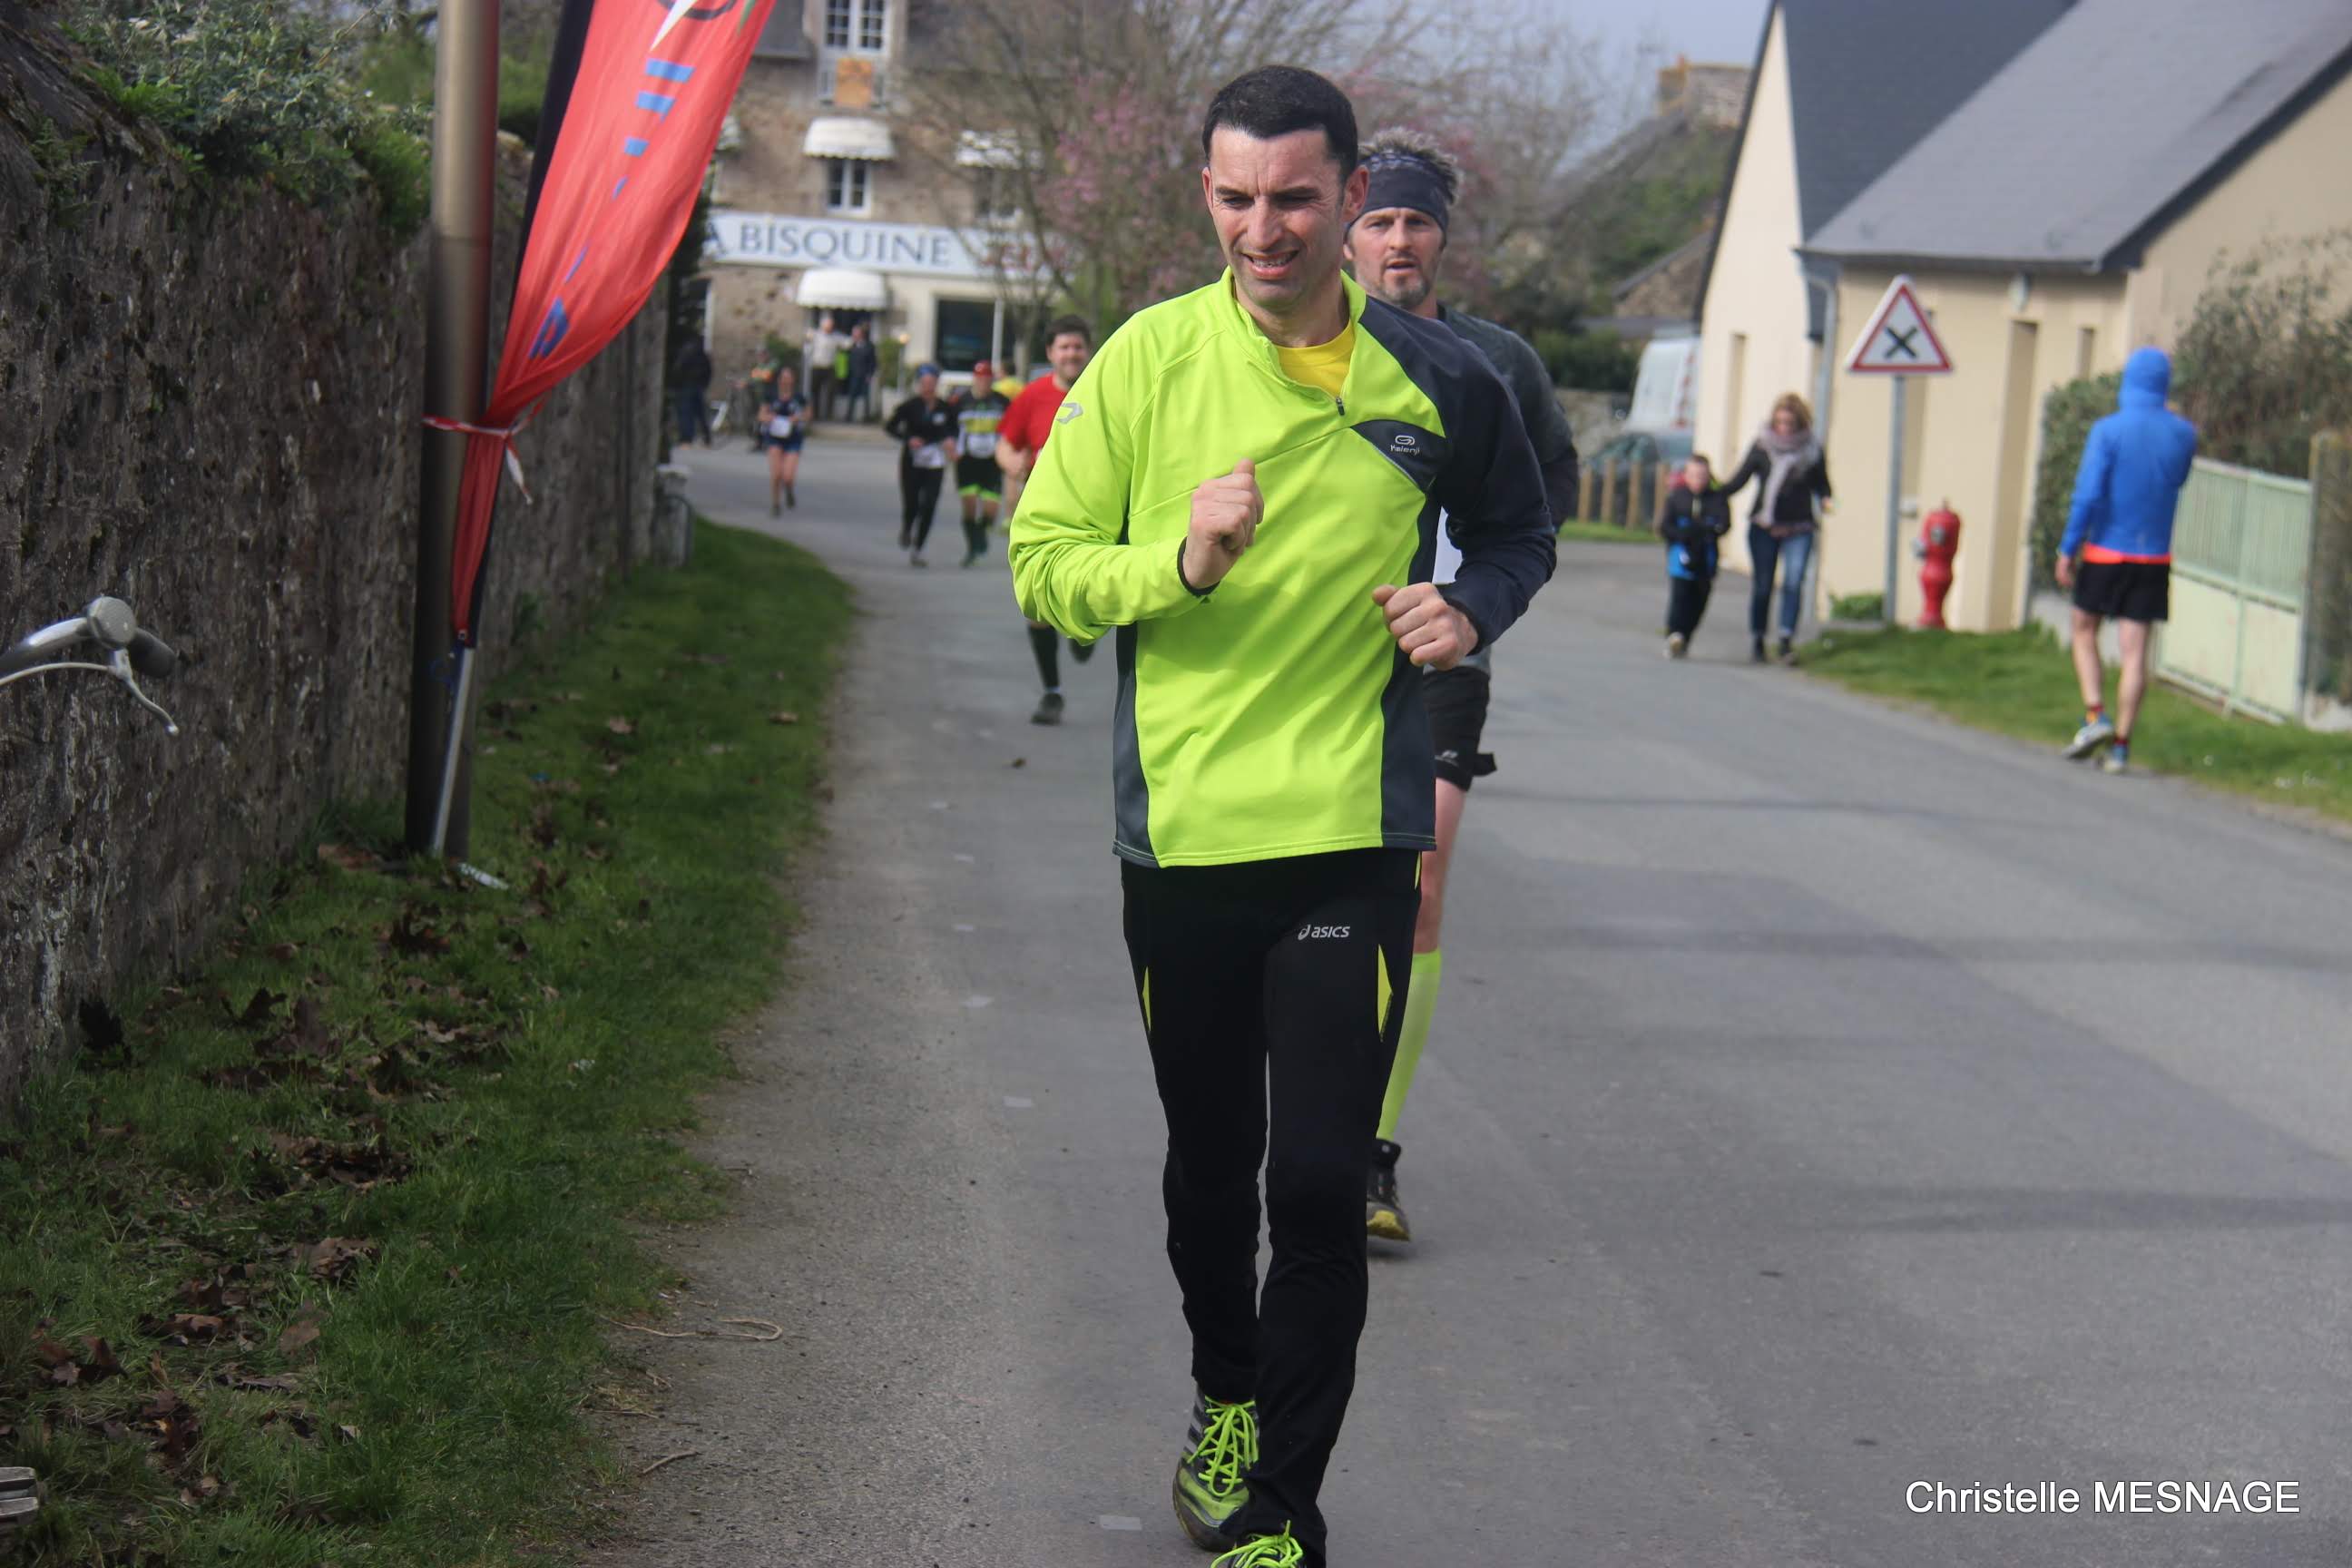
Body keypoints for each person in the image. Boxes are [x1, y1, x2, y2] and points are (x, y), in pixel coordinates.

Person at [1008, 66, 1553, 1568]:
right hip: (1185, 837)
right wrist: (1177, 564)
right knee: (1211, 1168)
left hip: (1349, 831)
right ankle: (1224, 1398)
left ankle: (1281, 1514)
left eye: (1296, 198)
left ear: (1350, 196)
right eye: (1238, 198)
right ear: (1207, 194)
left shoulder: (1439, 377)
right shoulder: (1145, 361)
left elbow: (1519, 528)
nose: (1265, 229)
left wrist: (1470, 606)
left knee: (1315, 1182)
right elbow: (1043, 565)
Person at [1338, 126, 1579, 1246]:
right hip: (1314, 654)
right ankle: (1293, 1117)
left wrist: (1476, 593)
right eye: (1381, 220)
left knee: (1421, 884)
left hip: (1444, 658)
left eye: (1418, 222)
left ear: (1444, 238)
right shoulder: (1303, 343)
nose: (1400, 240)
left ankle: (1371, 1155)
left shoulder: (1497, 363)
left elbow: (1546, 489)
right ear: (1349, 230)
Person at [2057, 346, 2198, 774]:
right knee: (2135, 653)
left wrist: (2068, 547)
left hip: (2105, 551)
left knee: (2084, 628)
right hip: (2153, 556)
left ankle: (2095, 715)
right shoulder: (2183, 435)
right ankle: (2120, 747)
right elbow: (2178, 479)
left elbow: (2088, 494)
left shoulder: (2108, 431)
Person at [996, 315, 1100, 725]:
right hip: (1043, 515)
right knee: (1036, 606)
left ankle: (1082, 627)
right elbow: (1006, 444)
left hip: (1095, 515)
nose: (1071, 354)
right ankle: (1052, 693)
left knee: (1086, 596)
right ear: (1050, 353)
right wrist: (1012, 464)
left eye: (1078, 346)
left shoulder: (1105, 388)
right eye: (1064, 347)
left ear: (1088, 350)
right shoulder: (1032, 396)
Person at [1718, 391, 1831, 664]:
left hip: (1799, 527)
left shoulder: (1812, 450)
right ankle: (1758, 639)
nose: (1784, 428)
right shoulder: (1762, 446)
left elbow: (1823, 484)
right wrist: (1710, 491)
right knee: (1763, 584)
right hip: (1764, 526)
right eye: (1779, 422)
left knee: (1793, 582)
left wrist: (1827, 499)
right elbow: (1739, 480)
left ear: (1800, 423)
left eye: (1789, 423)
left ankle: (1785, 640)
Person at [884, 364, 956, 566]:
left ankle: (919, 548)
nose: (928, 387)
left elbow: (954, 429)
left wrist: (950, 441)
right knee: (912, 502)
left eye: (931, 383)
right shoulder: (910, 406)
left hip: (935, 461)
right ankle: (907, 527)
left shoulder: (945, 408)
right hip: (912, 461)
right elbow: (890, 427)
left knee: (930, 504)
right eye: (924, 383)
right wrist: (908, 439)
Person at [1659, 455, 1730, 658]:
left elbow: (1724, 524)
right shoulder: (1676, 498)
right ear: (1686, 476)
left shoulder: (1717, 498)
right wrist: (1684, 534)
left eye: (1702, 475)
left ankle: (1686, 637)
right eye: (1694, 475)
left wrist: (1708, 529)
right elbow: (1665, 527)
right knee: (1680, 598)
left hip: (1706, 560)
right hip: (1680, 560)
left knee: (1699, 601)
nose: (1698, 479)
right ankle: (1674, 634)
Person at [950, 361, 1012, 567]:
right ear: (974, 380)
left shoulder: (1002, 402)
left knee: (990, 511)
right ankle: (972, 548)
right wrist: (951, 447)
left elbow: (1011, 427)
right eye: (980, 379)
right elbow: (949, 428)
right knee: (969, 508)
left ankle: (981, 533)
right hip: (967, 461)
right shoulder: (961, 401)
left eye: (987, 379)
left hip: (992, 462)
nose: (984, 383)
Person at [763, 366, 809, 516]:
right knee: (776, 474)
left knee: (788, 476)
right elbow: (761, 415)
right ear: (779, 380)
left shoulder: (799, 398)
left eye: (789, 378)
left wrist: (797, 418)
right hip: (775, 437)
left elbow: (808, 414)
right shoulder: (771, 396)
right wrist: (769, 418)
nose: (786, 381)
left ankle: (789, 490)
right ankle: (775, 504)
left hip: (793, 438)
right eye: (784, 378)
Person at [671, 335, 713, 449]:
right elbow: (708, 371)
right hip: (698, 387)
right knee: (701, 414)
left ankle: (686, 439)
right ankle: (706, 438)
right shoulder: (702, 355)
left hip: (686, 387)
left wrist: (678, 385)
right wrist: (704, 385)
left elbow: (678, 369)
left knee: (686, 414)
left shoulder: (686, 352)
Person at [804, 315, 841, 422]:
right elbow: (807, 350)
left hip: (829, 367)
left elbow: (846, 342)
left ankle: (829, 414)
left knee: (831, 390)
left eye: (831, 326)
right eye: (828, 326)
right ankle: (815, 414)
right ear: (823, 326)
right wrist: (808, 340)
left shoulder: (835, 336)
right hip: (817, 366)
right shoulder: (816, 335)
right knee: (815, 391)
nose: (830, 328)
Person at [845, 324, 878, 424]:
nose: (854, 335)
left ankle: (866, 416)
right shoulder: (852, 345)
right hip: (854, 375)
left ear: (861, 334)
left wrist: (870, 374)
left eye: (856, 333)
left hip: (865, 375)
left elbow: (873, 362)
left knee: (865, 397)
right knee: (852, 395)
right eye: (853, 333)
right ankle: (849, 416)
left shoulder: (869, 346)